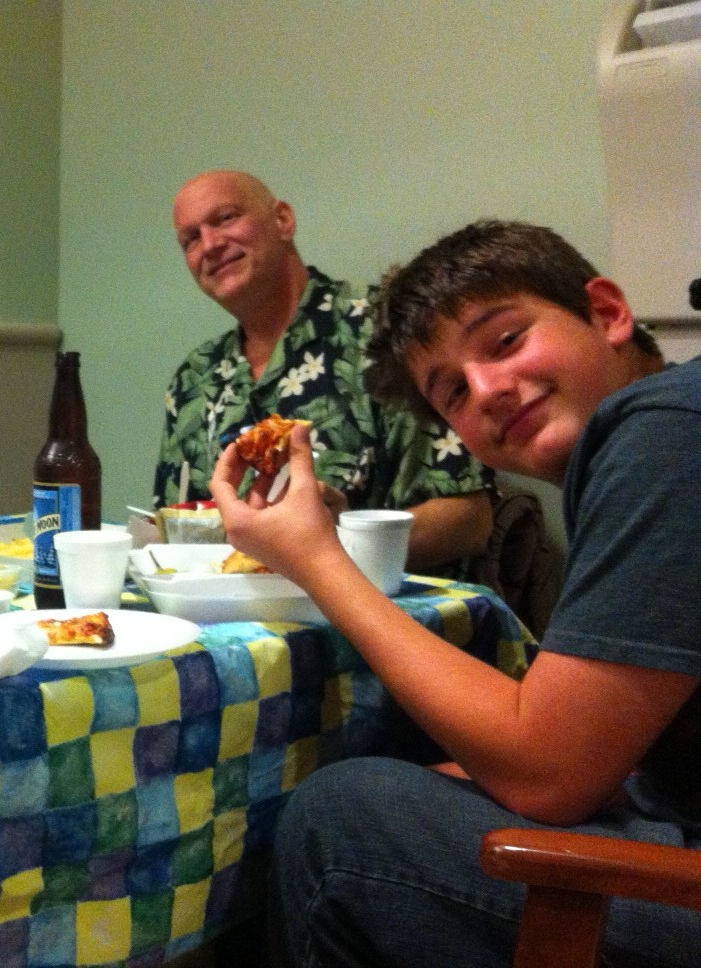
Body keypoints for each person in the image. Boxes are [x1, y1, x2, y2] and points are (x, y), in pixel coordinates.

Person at [210, 219, 701, 966]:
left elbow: (550, 771)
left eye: (505, 341)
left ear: (607, 313)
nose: (489, 391)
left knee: (338, 818)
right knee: (423, 774)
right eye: (454, 394)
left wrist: (317, 561)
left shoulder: (664, 433)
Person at [157, 170, 493, 574]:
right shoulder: (194, 378)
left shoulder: (386, 332)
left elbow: (469, 520)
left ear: (283, 220)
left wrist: (338, 541)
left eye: (226, 218)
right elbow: (176, 526)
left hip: (383, 607)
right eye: (190, 239)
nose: (210, 245)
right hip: (224, 608)